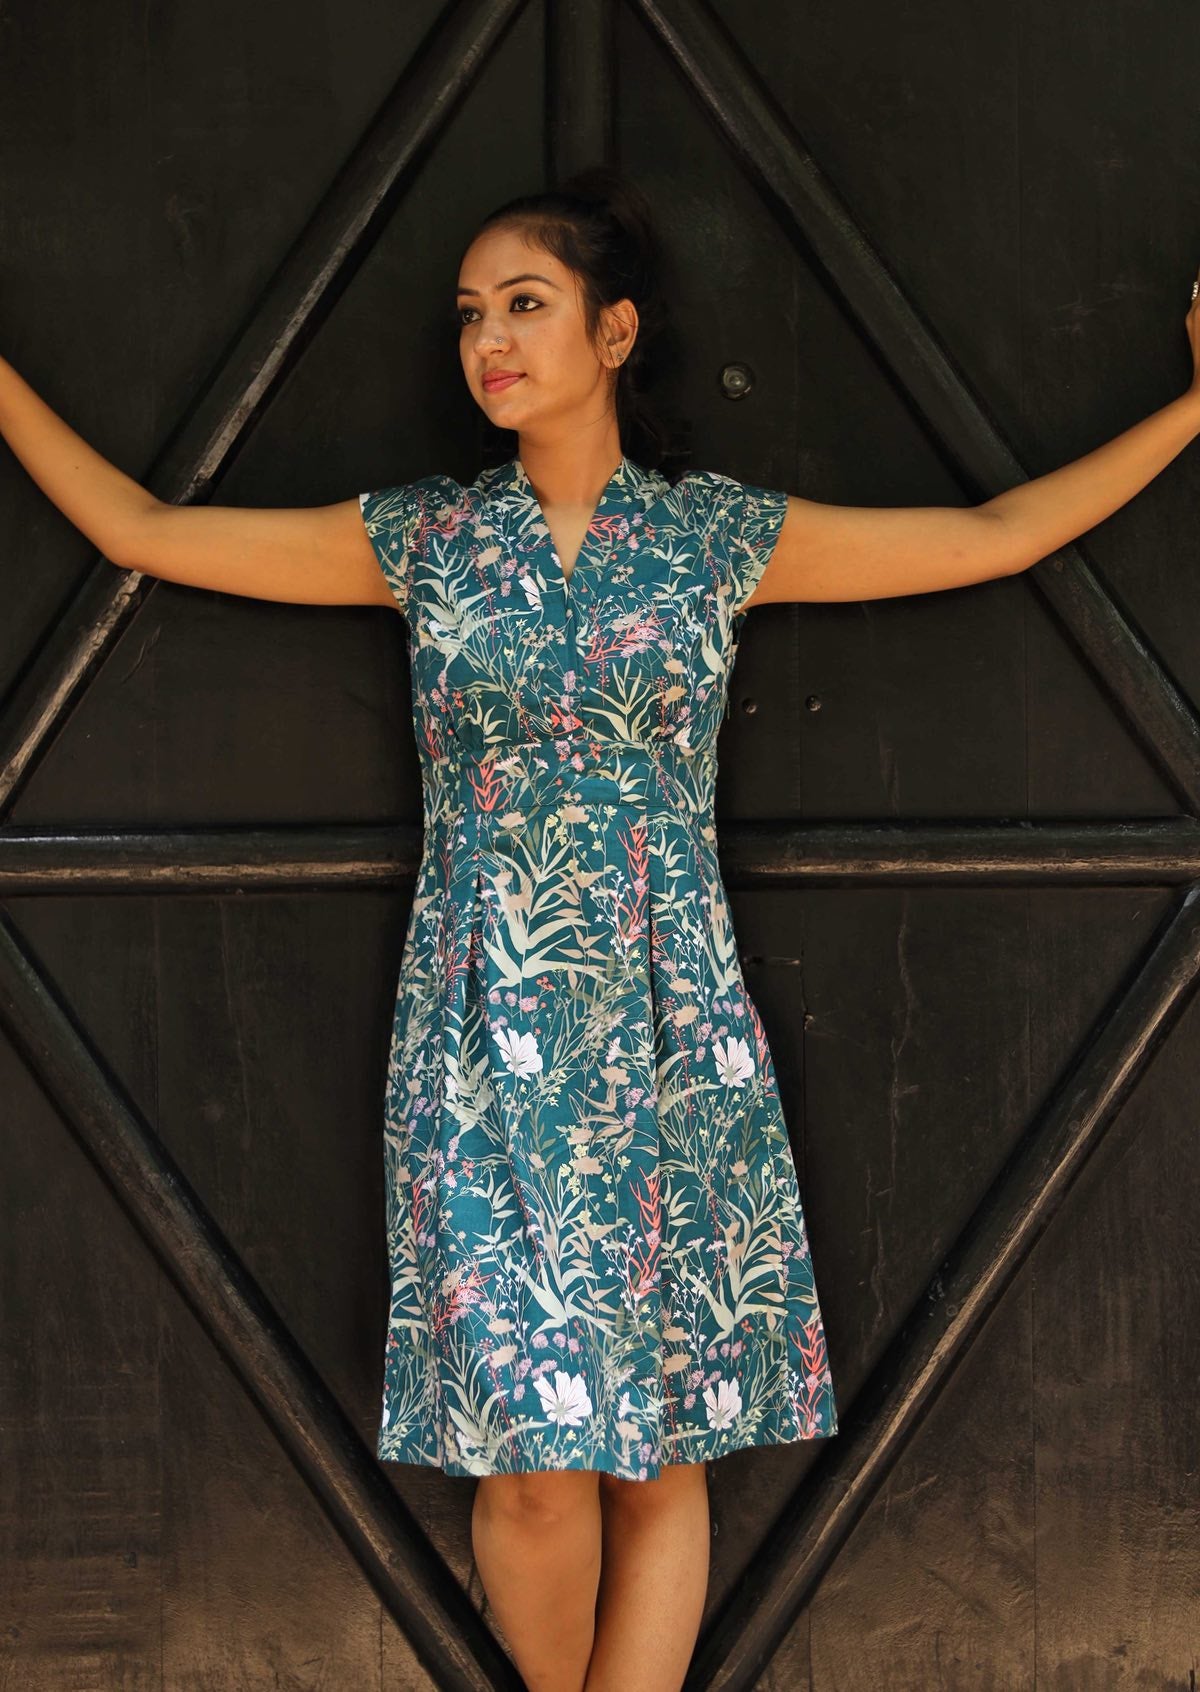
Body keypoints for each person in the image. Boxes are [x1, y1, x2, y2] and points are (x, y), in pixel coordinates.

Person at [2, 163, 1198, 1692]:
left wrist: (1195, 409)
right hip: (476, 1050)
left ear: (615, 331)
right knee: (530, 1468)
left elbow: (1000, 535)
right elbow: (143, 530)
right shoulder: (424, 542)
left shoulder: (713, 542)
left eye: (525, 305)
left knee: (662, 1449)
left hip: (670, 1034)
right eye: (469, 317)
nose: (489, 340)